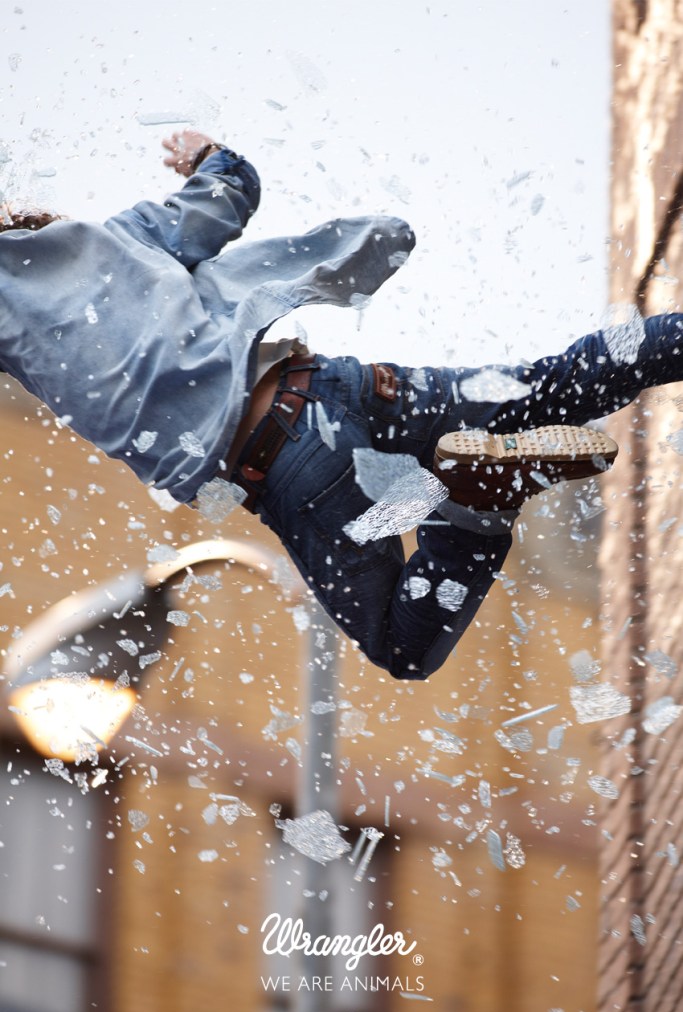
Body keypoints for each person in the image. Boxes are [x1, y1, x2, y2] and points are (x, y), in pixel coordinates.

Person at [0, 130, 679, 681]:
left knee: (402, 646)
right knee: (550, 384)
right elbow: (229, 192)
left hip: (286, 467)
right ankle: (471, 476)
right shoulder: (126, 237)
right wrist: (209, 158)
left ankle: (480, 496)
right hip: (340, 390)